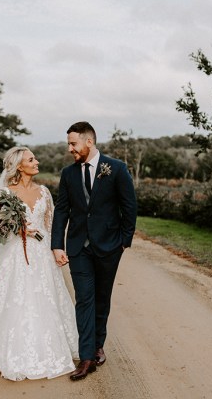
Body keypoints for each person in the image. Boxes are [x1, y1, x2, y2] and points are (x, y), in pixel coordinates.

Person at [0, 146, 78, 381]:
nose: (36, 162)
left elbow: (51, 222)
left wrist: (56, 249)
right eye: (31, 159)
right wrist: (20, 229)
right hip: (17, 253)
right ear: (18, 166)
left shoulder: (44, 192)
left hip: (42, 253)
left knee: (46, 296)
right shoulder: (6, 193)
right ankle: (15, 350)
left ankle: (51, 344)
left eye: (35, 158)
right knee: (19, 297)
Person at [51, 121, 137, 381]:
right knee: (84, 300)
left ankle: (98, 344)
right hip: (78, 248)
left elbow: (129, 207)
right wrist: (57, 244)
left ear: (89, 142)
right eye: (68, 144)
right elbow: (62, 210)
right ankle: (86, 356)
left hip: (109, 247)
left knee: (102, 299)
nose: (70, 149)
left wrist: (123, 242)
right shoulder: (68, 174)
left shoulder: (117, 169)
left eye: (73, 143)